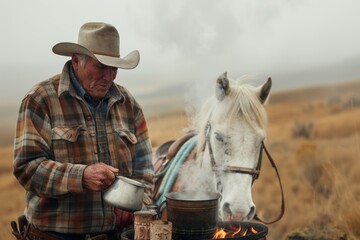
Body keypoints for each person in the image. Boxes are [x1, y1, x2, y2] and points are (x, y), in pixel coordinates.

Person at [13, 22, 154, 240]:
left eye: (114, 68)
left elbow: (144, 166)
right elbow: (27, 168)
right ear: (76, 60)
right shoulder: (41, 99)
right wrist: (81, 176)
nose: (109, 77)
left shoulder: (128, 104)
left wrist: (138, 204)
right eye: (100, 66)